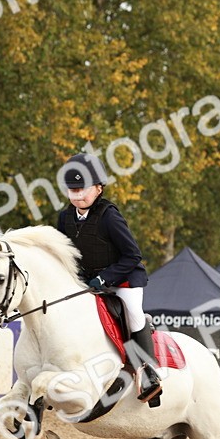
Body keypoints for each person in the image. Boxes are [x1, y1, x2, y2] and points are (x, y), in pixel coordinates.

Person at [57, 153, 161, 403]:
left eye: (82, 189)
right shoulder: (64, 218)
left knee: (132, 310)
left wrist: (104, 278)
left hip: (124, 279)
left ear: (98, 188)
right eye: (72, 190)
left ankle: (148, 373)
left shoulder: (109, 216)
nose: (77, 195)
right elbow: (64, 252)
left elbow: (133, 255)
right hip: (90, 282)